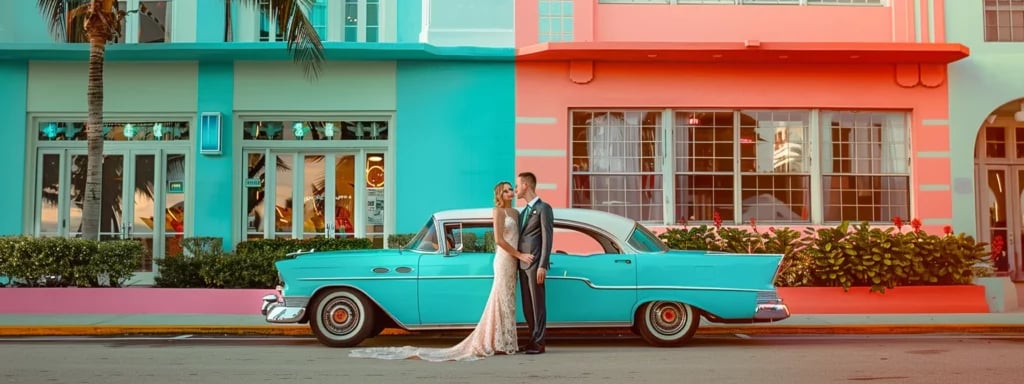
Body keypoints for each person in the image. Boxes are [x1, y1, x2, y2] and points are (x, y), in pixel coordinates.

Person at [348, 181, 534, 362]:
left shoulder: (516, 213)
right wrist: (520, 255)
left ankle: (507, 341)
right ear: (499, 195)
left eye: (511, 189)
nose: (510, 192)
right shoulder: (498, 212)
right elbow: (499, 240)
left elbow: (520, 236)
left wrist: (521, 256)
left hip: (513, 260)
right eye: (506, 190)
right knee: (500, 297)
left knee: (508, 299)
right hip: (504, 259)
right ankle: (496, 341)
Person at [515, 171, 553, 355]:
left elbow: (547, 239)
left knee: (537, 305)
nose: (515, 189)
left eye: (517, 185)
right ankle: (532, 339)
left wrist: (542, 265)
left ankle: (539, 343)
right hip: (522, 265)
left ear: (526, 186)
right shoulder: (523, 213)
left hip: (535, 264)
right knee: (527, 305)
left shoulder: (544, 208)